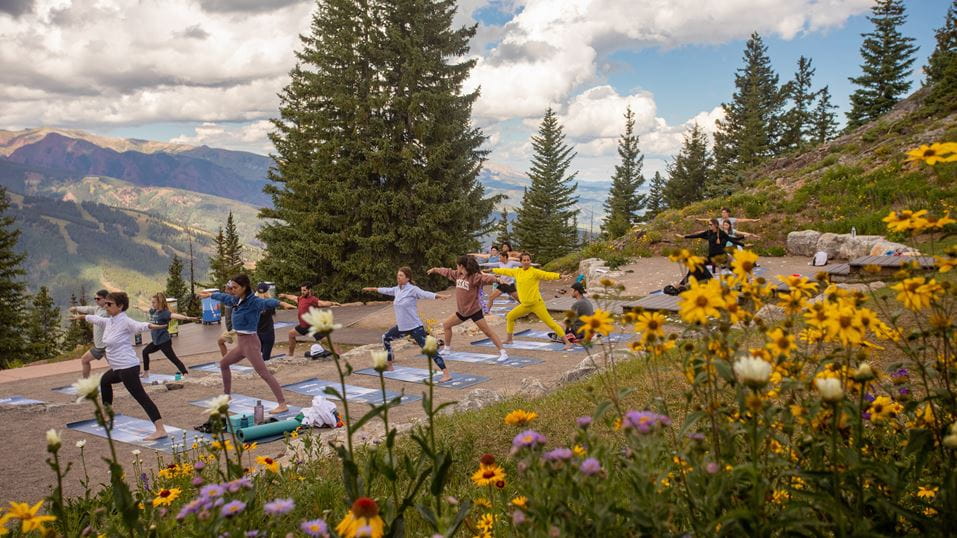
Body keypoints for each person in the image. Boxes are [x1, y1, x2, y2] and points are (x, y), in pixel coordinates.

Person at [70, 291, 169, 440]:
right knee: (104, 381)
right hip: (119, 368)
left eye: (109, 304)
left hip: (128, 368)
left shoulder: (125, 321)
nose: (106, 306)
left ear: (120, 306)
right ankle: (107, 416)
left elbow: (140, 325)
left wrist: (154, 326)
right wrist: (82, 316)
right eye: (106, 303)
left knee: (141, 397)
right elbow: (96, 319)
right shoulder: (110, 321)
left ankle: (160, 429)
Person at [199, 275, 290, 414]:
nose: (232, 290)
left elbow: (266, 303)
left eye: (235, 287)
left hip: (250, 343)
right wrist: (211, 295)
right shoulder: (237, 299)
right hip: (241, 343)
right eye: (232, 287)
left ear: (244, 287)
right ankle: (227, 396)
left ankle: (282, 403)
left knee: (264, 373)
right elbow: (224, 297)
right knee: (224, 364)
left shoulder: (253, 301)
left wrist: (281, 304)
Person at [362, 267, 452, 381]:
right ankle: (389, 365)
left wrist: (439, 296)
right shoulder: (397, 289)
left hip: (415, 328)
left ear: (408, 278)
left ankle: (446, 374)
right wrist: (373, 289)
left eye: (401, 276)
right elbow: (385, 290)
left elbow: (425, 294)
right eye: (398, 275)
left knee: (430, 351)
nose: (398, 277)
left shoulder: (413, 290)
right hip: (402, 327)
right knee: (385, 337)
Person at [427, 255, 509, 361]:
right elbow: (447, 271)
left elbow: (486, 278)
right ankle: (447, 349)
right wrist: (435, 269)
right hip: (462, 312)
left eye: (457, 265)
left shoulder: (474, 277)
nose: (456, 267)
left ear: (461, 266)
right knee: (446, 325)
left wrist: (497, 280)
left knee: (488, 332)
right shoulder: (457, 275)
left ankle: (503, 353)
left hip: (474, 311)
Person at [492, 252, 572, 349]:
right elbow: (505, 271)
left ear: (530, 261)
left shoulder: (534, 272)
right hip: (525, 305)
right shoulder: (517, 272)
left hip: (536, 304)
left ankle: (567, 342)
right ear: (521, 262)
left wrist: (560, 276)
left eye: (528, 260)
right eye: (524, 260)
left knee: (551, 323)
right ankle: (509, 339)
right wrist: (492, 270)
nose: (526, 262)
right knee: (510, 317)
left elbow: (547, 275)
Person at [140, 293, 198, 378]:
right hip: (156, 341)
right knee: (145, 352)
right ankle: (146, 373)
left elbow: (175, 316)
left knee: (173, 358)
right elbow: (146, 310)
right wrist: (138, 307)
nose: (152, 304)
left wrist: (188, 318)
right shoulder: (154, 311)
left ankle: (185, 373)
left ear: (159, 303)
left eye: (154, 302)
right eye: (151, 302)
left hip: (164, 341)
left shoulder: (165, 313)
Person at [280, 282, 340, 358]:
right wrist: (285, 295)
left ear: (309, 290)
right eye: (302, 290)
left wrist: (333, 303)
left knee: (325, 341)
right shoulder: (301, 298)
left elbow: (322, 303)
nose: (302, 292)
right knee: (291, 334)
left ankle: (338, 354)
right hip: (303, 326)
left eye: (304, 290)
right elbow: (293, 297)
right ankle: (290, 355)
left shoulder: (312, 299)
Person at [676, 219, 743, 274]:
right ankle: (684, 283)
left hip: (721, 256)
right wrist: (684, 236)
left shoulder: (722, 233)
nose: (709, 226)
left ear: (715, 225)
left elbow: (732, 240)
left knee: (733, 269)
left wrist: (743, 245)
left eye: (710, 224)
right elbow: (697, 235)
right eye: (708, 224)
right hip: (711, 256)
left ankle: (744, 279)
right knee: (696, 264)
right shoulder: (708, 233)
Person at [69, 289, 110, 379]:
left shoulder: (108, 311)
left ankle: (135, 375)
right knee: (84, 360)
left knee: (119, 367)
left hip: (107, 346)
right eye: (95, 298)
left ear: (105, 299)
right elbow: (88, 308)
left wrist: (82, 317)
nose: (96, 300)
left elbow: (97, 318)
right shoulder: (98, 308)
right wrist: (76, 308)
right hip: (100, 346)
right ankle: (86, 382)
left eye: (98, 299)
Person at [255, 282, 296, 361]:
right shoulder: (270, 302)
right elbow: (273, 310)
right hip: (267, 332)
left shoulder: (253, 302)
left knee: (258, 357)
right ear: (267, 291)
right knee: (265, 358)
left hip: (257, 333)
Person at [484, 243, 521, 313]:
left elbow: (522, 264)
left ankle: (529, 309)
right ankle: (486, 311)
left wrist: (533, 264)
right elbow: (490, 264)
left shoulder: (511, 263)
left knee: (519, 299)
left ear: (505, 257)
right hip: (502, 284)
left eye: (500, 257)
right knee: (491, 297)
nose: (499, 258)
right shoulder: (499, 263)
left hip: (510, 285)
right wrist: (481, 266)